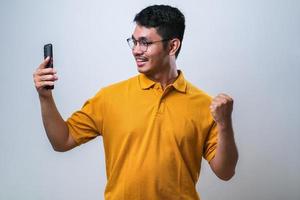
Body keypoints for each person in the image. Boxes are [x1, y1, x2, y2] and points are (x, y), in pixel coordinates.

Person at [33, 4, 238, 200]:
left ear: (173, 46)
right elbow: (62, 140)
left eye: (145, 43)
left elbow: (225, 171)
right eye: (134, 41)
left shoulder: (204, 104)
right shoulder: (110, 97)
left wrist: (225, 124)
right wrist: (45, 97)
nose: (136, 50)